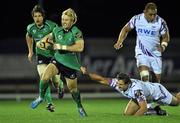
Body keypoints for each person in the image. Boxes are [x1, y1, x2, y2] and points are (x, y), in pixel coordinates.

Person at [30, 8, 87, 117]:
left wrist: (62, 46)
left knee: (73, 90)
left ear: (72, 21)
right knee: (45, 77)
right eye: (62, 19)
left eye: (66, 20)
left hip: (70, 64)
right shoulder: (57, 30)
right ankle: (41, 97)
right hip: (57, 60)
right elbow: (47, 40)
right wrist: (43, 43)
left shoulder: (77, 32)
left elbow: (80, 47)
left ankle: (79, 106)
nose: (63, 21)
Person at [114, 2, 170, 110]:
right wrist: (119, 41)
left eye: (154, 14)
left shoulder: (160, 22)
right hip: (141, 53)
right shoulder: (137, 19)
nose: (153, 16)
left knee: (156, 84)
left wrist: (163, 46)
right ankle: (146, 107)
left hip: (156, 55)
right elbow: (125, 29)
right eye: (150, 14)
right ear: (145, 12)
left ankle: (154, 105)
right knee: (145, 77)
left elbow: (166, 36)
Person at [82, 68, 180, 116]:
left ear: (128, 84)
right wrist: (87, 74)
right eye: (118, 84)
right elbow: (101, 79)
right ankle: (157, 111)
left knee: (177, 102)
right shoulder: (118, 83)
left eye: (121, 85)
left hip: (157, 92)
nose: (118, 86)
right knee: (127, 115)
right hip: (145, 95)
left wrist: (134, 120)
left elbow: (144, 108)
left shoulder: (136, 90)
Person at [26, 5, 64, 112]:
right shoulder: (31, 28)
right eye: (35, 16)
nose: (37, 18)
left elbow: (60, 36)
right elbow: (28, 36)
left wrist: (55, 43)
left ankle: (60, 85)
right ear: (33, 17)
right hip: (41, 56)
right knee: (44, 77)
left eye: (39, 16)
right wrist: (30, 51)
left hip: (53, 57)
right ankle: (49, 103)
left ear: (43, 17)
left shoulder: (51, 26)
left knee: (55, 81)